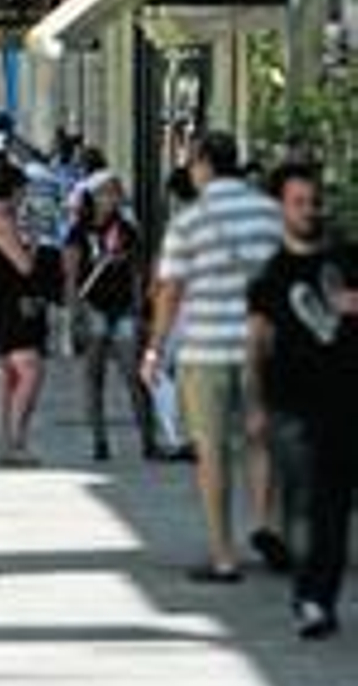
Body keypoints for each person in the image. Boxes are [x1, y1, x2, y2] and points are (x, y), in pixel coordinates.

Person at [143, 131, 286, 583]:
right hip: (261, 347)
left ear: (204, 163)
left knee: (212, 452)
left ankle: (224, 555)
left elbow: (170, 291)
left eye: (191, 161)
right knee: (260, 441)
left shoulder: (189, 220)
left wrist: (155, 347)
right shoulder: (268, 212)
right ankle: (266, 524)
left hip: (205, 349)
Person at [246, 165, 358, 639]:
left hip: (346, 399)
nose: (309, 211)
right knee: (314, 501)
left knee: (331, 505)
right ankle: (312, 596)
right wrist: (255, 405)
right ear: (280, 209)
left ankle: (316, 597)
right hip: (292, 405)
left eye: (313, 201)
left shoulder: (346, 259)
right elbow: (256, 343)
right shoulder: (270, 276)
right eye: (298, 202)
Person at [63, 171, 155, 462]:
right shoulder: (78, 231)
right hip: (93, 307)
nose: (113, 198)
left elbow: (138, 272)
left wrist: (141, 309)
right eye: (107, 192)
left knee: (134, 376)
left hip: (124, 307)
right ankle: (99, 441)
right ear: (94, 196)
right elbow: (71, 275)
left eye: (116, 192)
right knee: (95, 375)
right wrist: (73, 314)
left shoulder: (127, 229)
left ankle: (149, 439)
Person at [0, 160, 50, 466]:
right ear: (15, 191)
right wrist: (35, 244)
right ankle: (17, 441)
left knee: (8, 375)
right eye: (23, 191)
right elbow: (24, 265)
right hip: (7, 307)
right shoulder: (0, 222)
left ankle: (3, 442)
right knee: (31, 371)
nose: (24, 197)